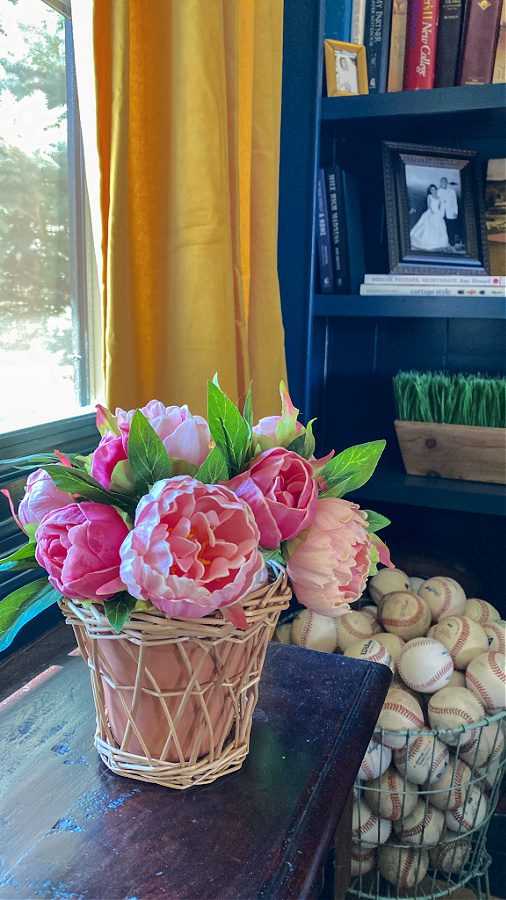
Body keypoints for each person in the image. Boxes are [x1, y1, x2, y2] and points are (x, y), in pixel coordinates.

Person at [410, 185, 449, 251]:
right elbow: (429, 206)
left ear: (436, 190)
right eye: (432, 190)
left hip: (437, 213)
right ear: (430, 191)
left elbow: (439, 207)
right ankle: (427, 243)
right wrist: (432, 212)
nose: (433, 191)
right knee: (428, 227)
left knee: (440, 227)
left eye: (434, 189)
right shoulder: (429, 197)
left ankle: (439, 243)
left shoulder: (439, 198)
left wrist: (439, 213)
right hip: (430, 212)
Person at [437, 177, 459, 246]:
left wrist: (455, 212)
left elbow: (454, 203)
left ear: (447, 183)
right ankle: (443, 242)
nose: (443, 183)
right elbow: (438, 203)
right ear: (441, 183)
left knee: (451, 228)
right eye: (442, 182)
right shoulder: (438, 191)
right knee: (443, 228)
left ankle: (452, 243)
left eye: (445, 182)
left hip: (450, 213)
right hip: (441, 214)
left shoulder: (452, 192)